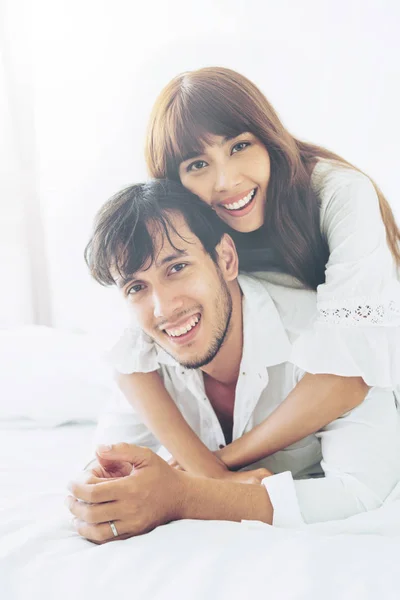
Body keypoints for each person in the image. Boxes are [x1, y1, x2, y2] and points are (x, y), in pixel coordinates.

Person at [66, 180, 400, 543]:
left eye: (177, 267)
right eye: (136, 288)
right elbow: (106, 468)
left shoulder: (327, 339)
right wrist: (97, 498)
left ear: (225, 259)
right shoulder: (144, 356)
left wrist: (189, 496)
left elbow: (360, 493)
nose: (164, 309)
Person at [107, 67, 400, 477]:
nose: (226, 181)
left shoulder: (340, 194)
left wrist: (213, 470)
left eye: (239, 145)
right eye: (196, 165)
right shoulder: (200, 228)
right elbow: (135, 352)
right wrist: (205, 472)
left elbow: (347, 371)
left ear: (269, 138)